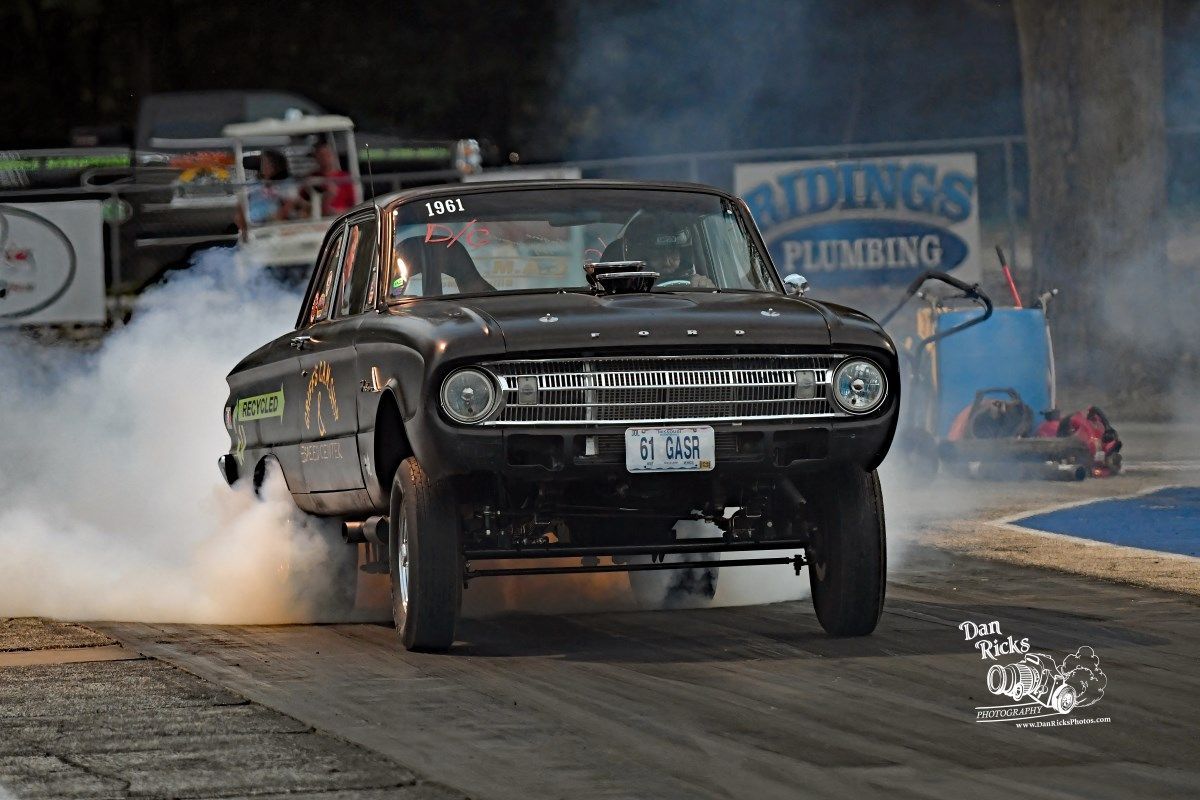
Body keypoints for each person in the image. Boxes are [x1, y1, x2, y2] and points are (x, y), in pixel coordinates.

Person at [623, 216, 715, 288]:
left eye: (672, 252)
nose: (667, 261)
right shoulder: (628, 288)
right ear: (642, 255)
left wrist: (704, 287)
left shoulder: (693, 283)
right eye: (658, 253)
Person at [241, 149, 302, 228]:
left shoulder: (286, 183)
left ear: (278, 165)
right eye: (264, 162)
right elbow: (242, 204)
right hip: (252, 223)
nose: (265, 166)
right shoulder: (253, 182)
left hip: (273, 224)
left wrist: (273, 221)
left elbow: (290, 204)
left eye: (269, 162)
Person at [306, 140, 356, 217]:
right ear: (316, 158)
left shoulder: (345, 178)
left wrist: (339, 212)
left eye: (327, 155)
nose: (325, 158)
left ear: (333, 156)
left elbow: (355, 205)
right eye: (321, 155)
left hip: (341, 218)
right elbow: (303, 203)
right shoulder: (312, 178)